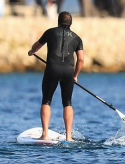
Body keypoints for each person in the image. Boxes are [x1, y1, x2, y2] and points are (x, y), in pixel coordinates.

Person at [28, 11, 84, 142]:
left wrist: (32, 51)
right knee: (67, 103)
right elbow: (80, 60)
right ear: (71, 23)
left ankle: (45, 134)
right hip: (69, 72)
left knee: (46, 100)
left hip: (52, 69)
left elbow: (36, 46)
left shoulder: (50, 32)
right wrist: (75, 75)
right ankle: (68, 137)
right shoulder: (77, 38)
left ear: (58, 21)